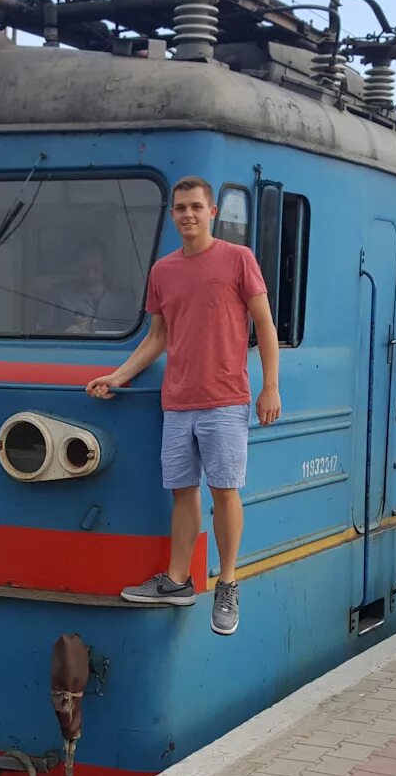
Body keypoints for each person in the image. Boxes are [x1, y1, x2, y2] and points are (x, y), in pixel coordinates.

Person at [89, 176, 282, 636]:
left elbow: (265, 324)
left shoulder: (238, 259)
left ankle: (228, 583)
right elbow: (157, 338)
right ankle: (178, 581)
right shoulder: (163, 271)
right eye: (180, 208)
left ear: (212, 213)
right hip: (178, 402)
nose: (188, 215)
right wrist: (119, 375)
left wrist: (270, 386)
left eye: (196, 207)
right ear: (172, 215)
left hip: (224, 400)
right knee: (182, 492)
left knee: (224, 491)